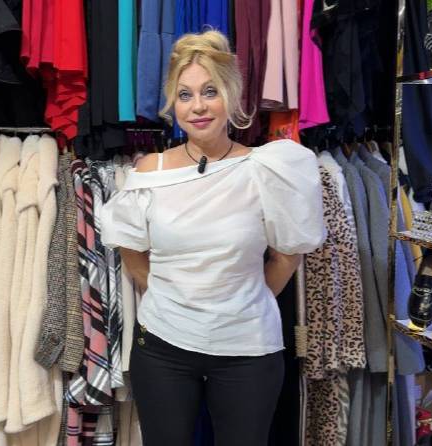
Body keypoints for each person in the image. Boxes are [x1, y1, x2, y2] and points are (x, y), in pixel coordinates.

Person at [101, 29, 325, 445]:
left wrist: (240, 302)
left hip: (248, 348)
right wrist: (174, 297)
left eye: (210, 91)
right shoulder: (150, 172)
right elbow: (132, 253)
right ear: (173, 103)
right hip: (163, 346)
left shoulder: (267, 169)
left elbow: (286, 256)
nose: (198, 106)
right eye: (185, 95)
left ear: (232, 96)